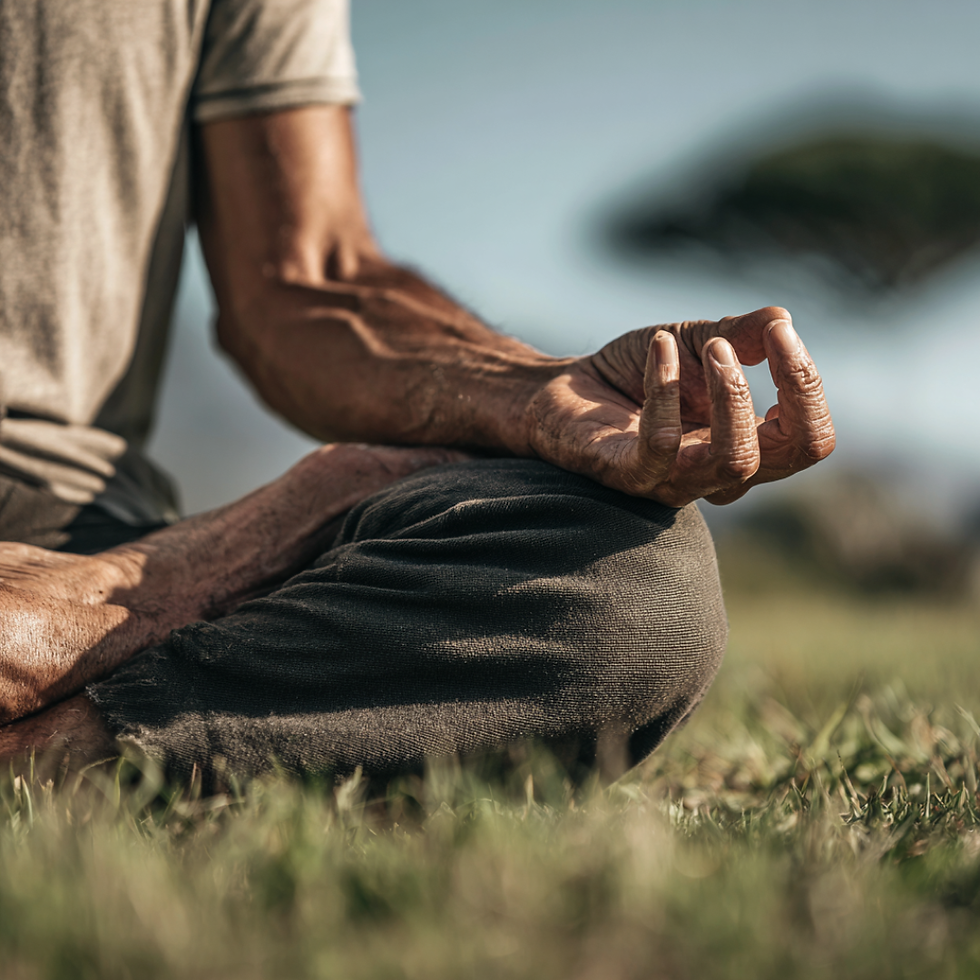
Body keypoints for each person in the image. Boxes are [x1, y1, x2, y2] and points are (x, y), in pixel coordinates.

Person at [0, 0, 834, 786]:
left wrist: (538, 394)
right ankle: (80, 683)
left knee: (627, 586)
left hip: (57, 520)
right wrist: (191, 571)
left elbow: (309, 279)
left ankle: (53, 729)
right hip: (80, 580)